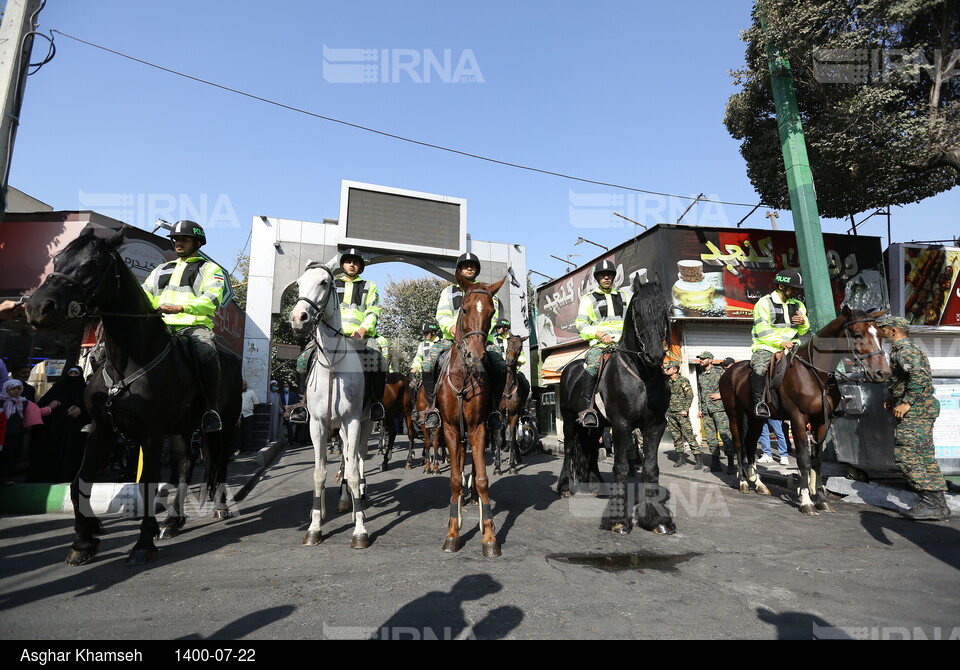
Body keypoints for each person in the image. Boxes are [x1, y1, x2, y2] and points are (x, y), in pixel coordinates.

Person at [141, 220, 228, 433]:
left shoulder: (211, 269)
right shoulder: (160, 269)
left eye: (184, 239)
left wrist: (180, 307)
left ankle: (211, 409)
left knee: (207, 353)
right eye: (176, 239)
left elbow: (212, 298)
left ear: (197, 242)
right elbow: (144, 295)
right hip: (160, 326)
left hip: (193, 327)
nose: (178, 243)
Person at [291, 249, 386, 423]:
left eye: (356, 262)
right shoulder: (330, 283)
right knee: (303, 359)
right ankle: (303, 404)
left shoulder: (369, 286)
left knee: (378, 359)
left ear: (361, 266)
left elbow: (374, 310)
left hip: (360, 336)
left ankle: (375, 404)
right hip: (331, 336)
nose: (352, 264)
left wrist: (364, 329)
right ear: (342, 265)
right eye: (348, 261)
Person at [421, 252, 506, 430]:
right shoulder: (448, 292)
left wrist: (479, 336)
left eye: (472, 266)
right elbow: (442, 314)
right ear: (459, 270)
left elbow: (491, 316)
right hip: (450, 339)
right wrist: (450, 327)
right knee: (428, 364)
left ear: (476, 270)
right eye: (466, 265)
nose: (469, 268)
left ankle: (494, 411)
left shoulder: (488, 292)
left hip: (480, 341)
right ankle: (433, 409)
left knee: (500, 364)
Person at [879, 315, 951, 521]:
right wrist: (893, 397)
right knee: (924, 456)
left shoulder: (904, 350)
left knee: (906, 455)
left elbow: (918, 376)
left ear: (894, 331)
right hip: (923, 408)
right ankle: (938, 504)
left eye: (884, 329)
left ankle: (929, 502)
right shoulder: (906, 349)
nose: (881, 332)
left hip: (916, 410)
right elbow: (906, 377)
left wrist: (906, 402)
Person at [574, 260, 631, 427]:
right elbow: (581, 324)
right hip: (600, 345)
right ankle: (588, 410)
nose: (606, 277)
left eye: (609, 275)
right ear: (597, 278)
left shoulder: (625, 296)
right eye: (602, 275)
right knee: (592, 367)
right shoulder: (588, 299)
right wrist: (599, 334)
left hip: (624, 344)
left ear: (614, 277)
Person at [750, 269, 810, 418]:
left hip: (793, 346)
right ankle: (759, 404)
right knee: (759, 369)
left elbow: (803, 331)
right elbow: (762, 330)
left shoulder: (798, 305)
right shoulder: (763, 303)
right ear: (781, 287)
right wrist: (780, 343)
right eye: (793, 288)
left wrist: (803, 322)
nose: (796, 291)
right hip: (767, 346)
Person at [31, 366, 89, 482]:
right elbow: (42, 405)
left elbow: (92, 410)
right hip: (54, 431)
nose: (72, 376)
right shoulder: (57, 388)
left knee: (70, 458)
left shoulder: (85, 391)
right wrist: (50, 405)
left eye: (75, 374)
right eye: (70, 373)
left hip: (74, 432)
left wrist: (81, 411)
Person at [0, 379, 56, 485]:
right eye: (13, 389)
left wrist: (50, 408)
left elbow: (38, 411)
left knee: (13, 455)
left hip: (16, 434)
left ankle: (7, 477)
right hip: (2, 435)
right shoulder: (1, 401)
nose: (16, 391)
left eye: (19, 388)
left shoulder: (23, 402)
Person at [697, 351, 735, 473]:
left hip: (719, 409)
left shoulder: (720, 372)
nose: (701, 360)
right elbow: (701, 394)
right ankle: (715, 463)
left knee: (725, 434)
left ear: (711, 360)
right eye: (700, 358)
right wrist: (700, 408)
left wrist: (722, 394)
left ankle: (731, 464)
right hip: (707, 411)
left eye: (703, 358)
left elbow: (732, 385)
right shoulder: (701, 375)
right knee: (710, 438)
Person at [663, 361, 702, 470]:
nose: (666, 370)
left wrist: (685, 409)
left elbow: (689, 395)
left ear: (675, 370)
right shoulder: (667, 382)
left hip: (681, 413)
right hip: (670, 413)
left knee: (688, 435)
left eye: (668, 368)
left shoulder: (683, 381)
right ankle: (680, 458)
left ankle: (698, 459)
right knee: (676, 437)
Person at [238, 380, 259, 454]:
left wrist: (250, 409)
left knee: (247, 433)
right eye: (244, 385)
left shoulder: (251, 392)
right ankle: (239, 449)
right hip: (238, 416)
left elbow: (256, 403)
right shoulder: (236, 393)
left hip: (248, 415)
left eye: (246, 385)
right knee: (238, 433)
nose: (245, 386)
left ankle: (248, 449)